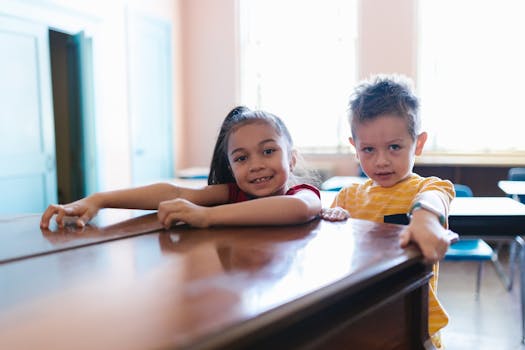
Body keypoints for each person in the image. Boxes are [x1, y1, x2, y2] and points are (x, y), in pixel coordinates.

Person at [320, 74, 454, 349]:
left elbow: (436, 197)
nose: (381, 161)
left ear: (418, 143)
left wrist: (425, 219)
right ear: (354, 149)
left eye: (394, 147)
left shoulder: (426, 188)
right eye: (368, 149)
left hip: (414, 322)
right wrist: (331, 220)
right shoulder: (347, 196)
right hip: (362, 319)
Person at [40, 106, 321, 230]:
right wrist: (99, 199)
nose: (256, 165)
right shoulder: (234, 192)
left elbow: (296, 209)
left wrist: (207, 217)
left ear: (292, 158)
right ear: (231, 166)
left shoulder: (302, 193)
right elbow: (173, 191)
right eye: (241, 158)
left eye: (268, 151)